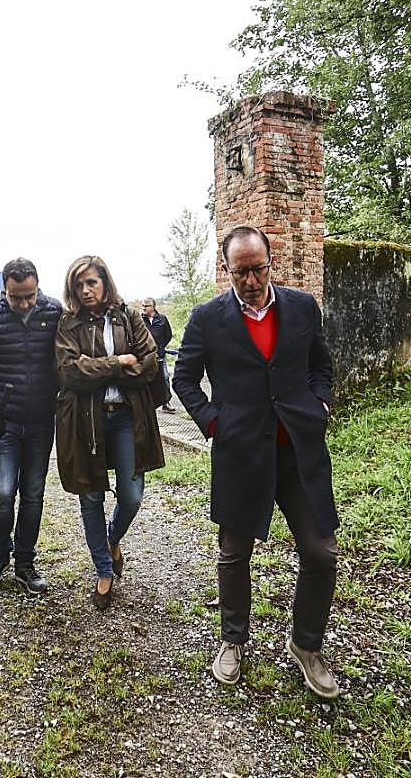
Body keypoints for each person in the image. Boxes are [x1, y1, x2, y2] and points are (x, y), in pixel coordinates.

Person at [173, 225, 340, 700]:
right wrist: (213, 422)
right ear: (226, 269)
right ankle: (232, 639)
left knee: (321, 553)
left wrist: (320, 403)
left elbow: (321, 364)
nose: (250, 280)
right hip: (242, 454)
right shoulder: (208, 318)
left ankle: (306, 645)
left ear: (271, 262)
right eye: (240, 271)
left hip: (298, 453)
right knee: (234, 553)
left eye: (257, 269)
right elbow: (184, 378)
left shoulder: (302, 306)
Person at [55, 255, 164, 610]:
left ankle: (112, 539)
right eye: (79, 285)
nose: (85, 290)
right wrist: (118, 362)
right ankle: (104, 570)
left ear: (105, 282)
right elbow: (70, 372)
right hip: (86, 420)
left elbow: (149, 362)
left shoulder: (128, 315)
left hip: (127, 418)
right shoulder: (68, 323)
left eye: (92, 282)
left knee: (131, 496)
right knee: (90, 496)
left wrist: (97, 369)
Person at [0, 257, 62, 594]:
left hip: (41, 420)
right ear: (4, 289)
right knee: (3, 492)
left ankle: (25, 562)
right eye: (15, 297)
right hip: (2, 421)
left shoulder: (54, 311)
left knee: (33, 493)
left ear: (38, 287)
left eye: (29, 296)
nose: (24, 303)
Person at [141, 298, 176, 413]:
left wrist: (160, 346)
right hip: (145, 355)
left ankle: (166, 403)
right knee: (146, 378)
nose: (143, 308)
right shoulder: (140, 320)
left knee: (164, 378)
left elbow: (168, 335)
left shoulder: (162, 319)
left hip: (160, 354)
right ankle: (147, 404)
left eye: (146, 306)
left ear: (153, 307)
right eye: (143, 305)